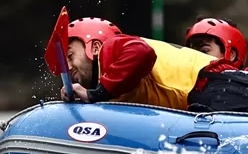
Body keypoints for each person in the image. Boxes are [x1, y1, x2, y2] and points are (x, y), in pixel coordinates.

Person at [49, 16, 217, 110]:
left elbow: (141, 52)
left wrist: (95, 94)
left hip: (216, 83)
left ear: (95, 47)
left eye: (70, 55)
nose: (68, 67)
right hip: (207, 94)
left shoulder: (111, 49)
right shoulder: (115, 90)